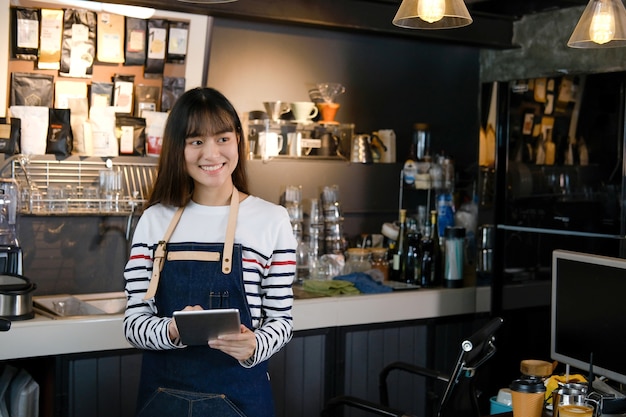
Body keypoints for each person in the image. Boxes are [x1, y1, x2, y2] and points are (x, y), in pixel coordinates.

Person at [123, 87, 297, 417]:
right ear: (178, 148)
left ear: (238, 140)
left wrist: (254, 345)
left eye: (222, 138)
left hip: (243, 399)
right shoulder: (153, 220)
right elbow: (133, 323)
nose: (211, 153)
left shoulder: (272, 219)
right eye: (196, 141)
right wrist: (173, 331)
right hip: (162, 400)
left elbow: (281, 322)